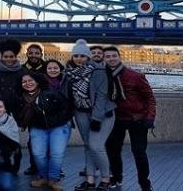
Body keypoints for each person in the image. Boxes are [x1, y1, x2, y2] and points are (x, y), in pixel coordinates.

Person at [65, 39, 116, 191]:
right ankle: (90, 180)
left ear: (88, 58)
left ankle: (106, 178)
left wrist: (96, 119)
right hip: (80, 113)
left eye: (82, 56)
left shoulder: (98, 72)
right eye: (76, 56)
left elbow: (101, 97)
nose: (79, 59)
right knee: (88, 146)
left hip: (102, 114)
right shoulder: (69, 73)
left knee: (96, 146)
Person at [103, 46, 156, 191]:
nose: (111, 59)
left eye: (114, 56)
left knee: (139, 152)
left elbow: (150, 98)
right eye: (107, 56)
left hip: (137, 119)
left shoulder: (135, 76)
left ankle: (144, 183)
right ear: (104, 59)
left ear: (120, 57)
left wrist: (150, 118)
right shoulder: (102, 76)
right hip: (116, 119)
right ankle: (116, 177)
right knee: (113, 150)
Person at [22, 73, 73, 191]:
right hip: (37, 127)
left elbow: (66, 107)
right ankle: (44, 177)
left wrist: (60, 120)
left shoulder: (50, 92)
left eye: (30, 80)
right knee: (38, 154)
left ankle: (54, 179)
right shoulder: (21, 97)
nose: (27, 83)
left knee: (56, 153)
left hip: (58, 126)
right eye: (24, 82)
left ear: (38, 82)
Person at [0, 39, 27, 114]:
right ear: (2, 57)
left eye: (11, 56)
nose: (8, 59)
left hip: (17, 110)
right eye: (5, 57)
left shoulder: (22, 71)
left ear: (15, 57)